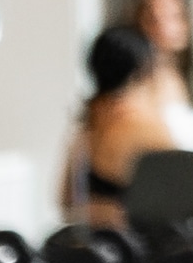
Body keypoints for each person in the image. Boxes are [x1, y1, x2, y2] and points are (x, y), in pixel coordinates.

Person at [63, 25, 178, 229]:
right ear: (142, 70)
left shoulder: (87, 125)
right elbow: (176, 199)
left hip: (97, 239)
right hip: (142, 241)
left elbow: (66, 200)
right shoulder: (149, 127)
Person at [125, 0, 193, 151]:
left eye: (175, 16)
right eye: (155, 18)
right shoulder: (135, 83)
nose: (165, 27)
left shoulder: (178, 76)